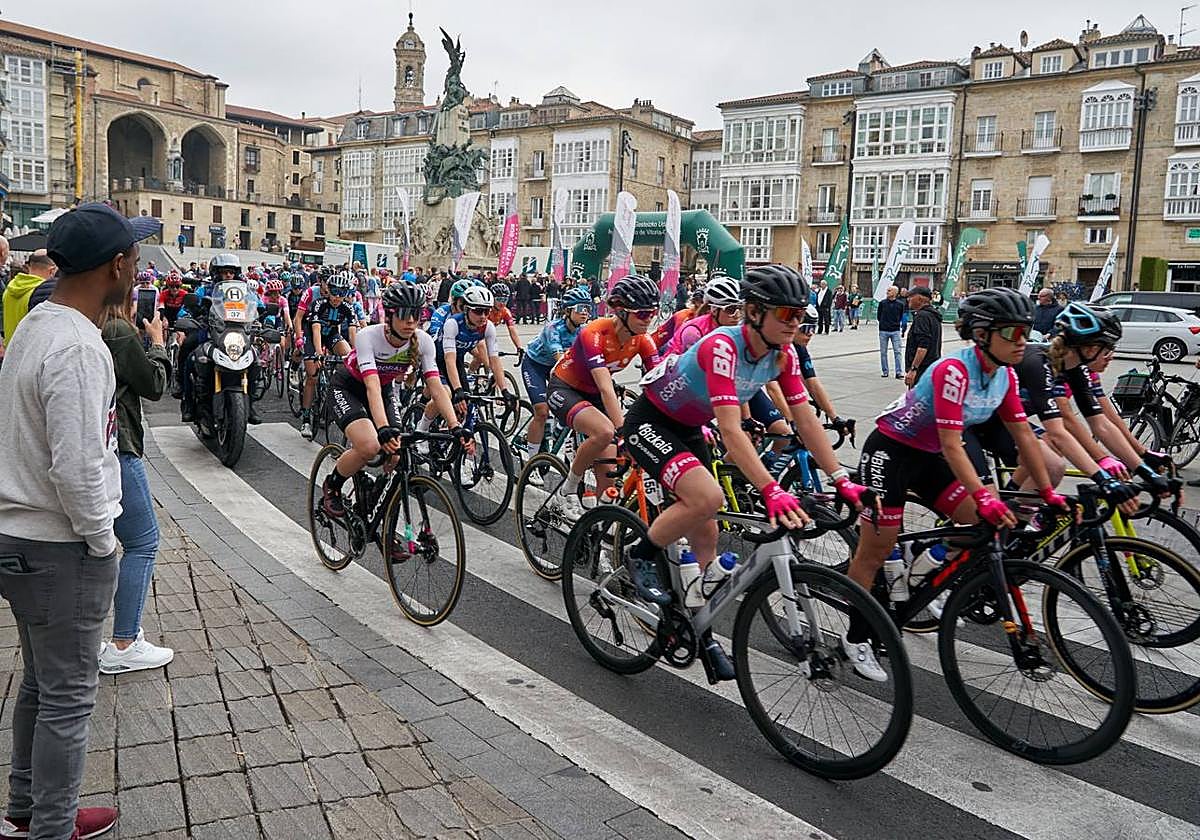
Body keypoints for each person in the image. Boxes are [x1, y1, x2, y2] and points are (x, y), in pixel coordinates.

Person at [624, 264, 871, 679]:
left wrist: (840, 478)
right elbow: (729, 428)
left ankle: (699, 632)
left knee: (709, 534)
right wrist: (772, 489)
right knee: (708, 497)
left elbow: (805, 420)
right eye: (787, 315)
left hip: (688, 427)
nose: (797, 323)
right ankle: (641, 553)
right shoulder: (723, 346)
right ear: (754, 312)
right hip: (652, 421)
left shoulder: (782, 355)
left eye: (800, 314)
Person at [0, 202, 160, 840]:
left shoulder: (41, 323)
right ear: (117, 265)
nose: (139, 266)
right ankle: (52, 827)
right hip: (58, 546)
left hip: (21, 533)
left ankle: (26, 808)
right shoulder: (78, 347)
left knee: (42, 683)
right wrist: (104, 542)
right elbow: (78, 465)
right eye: (135, 256)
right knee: (68, 699)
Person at [320, 284, 469, 519]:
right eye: (403, 314)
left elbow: (437, 389)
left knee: (397, 455)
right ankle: (333, 485)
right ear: (389, 316)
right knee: (370, 446)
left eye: (415, 315)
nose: (410, 321)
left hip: (384, 390)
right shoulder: (368, 336)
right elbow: (371, 386)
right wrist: (383, 429)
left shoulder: (423, 341)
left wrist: (456, 427)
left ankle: (379, 520)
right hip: (349, 388)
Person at [98, 299, 175, 675]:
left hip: (95, 447)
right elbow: (154, 384)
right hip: (119, 445)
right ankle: (124, 642)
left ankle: (94, 638)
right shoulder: (117, 330)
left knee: (95, 544)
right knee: (143, 542)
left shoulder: (86, 323)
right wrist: (157, 342)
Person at [548, 275, 660, 520]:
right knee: (606, 432)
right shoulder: (594, 332)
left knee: (608, 474)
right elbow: (606, 388)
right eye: (642, 314)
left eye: (653, 312)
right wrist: (623, 431)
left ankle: (594, 531)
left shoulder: (644, 340)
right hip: (565, 388)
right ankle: (566, 490)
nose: (650, 319)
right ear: (621, 312)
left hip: (594, 393)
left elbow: (660, 384)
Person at [519, 286, 593, 479]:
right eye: (580, 308)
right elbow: (560, 359)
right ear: (567, 311)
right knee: (542, 412)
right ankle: (531, 464)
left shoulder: (583, 330)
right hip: (535, 365)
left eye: (588, 308)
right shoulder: (552, 329)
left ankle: (557, 431)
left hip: (557, 369)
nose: (585, 312)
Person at [299, 272, 357, 439]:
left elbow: (353, 333)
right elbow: (316, 329)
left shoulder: (348, 307)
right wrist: (318, 353)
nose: (337, 297)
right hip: (313, 336)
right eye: (334, 292)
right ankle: (306, 419)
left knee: (347, 355)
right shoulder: (319, 304)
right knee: (312, 377)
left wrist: (357, 354)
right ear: (328, 291)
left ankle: (335, 387)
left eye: (341, 294)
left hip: (331, 335)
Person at [2, 251, 58, 342]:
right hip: (28, 351)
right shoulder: (41, 292)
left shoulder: (10, 288)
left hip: (10, 350)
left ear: (29, 267)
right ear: (52, 270)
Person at [903, 286, 942, 388]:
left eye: (911, 296)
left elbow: (923, 346)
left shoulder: (922, 316)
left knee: (917, 401)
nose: (908, 299)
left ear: (920, 299)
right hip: (930, 368)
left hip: (922, 370)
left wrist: (913, 369)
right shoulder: (933, 315)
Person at [876, 285, 905, 379]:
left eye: (889, 291)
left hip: (895, 330)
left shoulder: (900, 304)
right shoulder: (882, 303)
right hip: (883, 330)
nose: (887, 292)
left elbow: (901, 316)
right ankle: (885, 371)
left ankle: (898, 372)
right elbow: (879, 316)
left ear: (895, 293)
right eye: (887, 290)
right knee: (883, 352)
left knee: (897, 351)